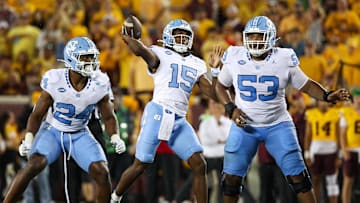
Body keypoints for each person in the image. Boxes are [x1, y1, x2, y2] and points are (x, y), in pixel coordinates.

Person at [214, 16, 351, 203]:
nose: (255, 41)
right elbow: (220, 86)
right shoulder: (234, 56)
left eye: (259, 36)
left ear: (271, 38)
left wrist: (327, 95)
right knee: (230, 180)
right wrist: (231, 108)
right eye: (252, 36)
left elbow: (306, 85)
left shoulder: (283, 58)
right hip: (244, 125)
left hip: (277, 124)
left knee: (299, 178)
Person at [110, 19, 222, 203]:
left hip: (178, 119)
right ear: (169, 37)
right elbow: (143, 52)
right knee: (141, 164)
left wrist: (215, 71)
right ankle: (115, 197)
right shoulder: (160, 52)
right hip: (158, 112)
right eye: (178, 35)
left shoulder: (198, 63)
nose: (182, 39)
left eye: (186, 35)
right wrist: (130, 39)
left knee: (199, 163)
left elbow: (214, 94)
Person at [3, 36, 126, 203]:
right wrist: (29, 139)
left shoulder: (100, 82)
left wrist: (115, 137)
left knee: (102, 172)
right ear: (71, 58)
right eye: (85, 57)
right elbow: (37, 114)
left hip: (79, 133)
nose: (90, 61)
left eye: (92, 57)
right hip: (53, 131)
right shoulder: (55, 80)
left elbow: (109, 116)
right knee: (34, 165)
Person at [304, 100, 341, 203]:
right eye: (321, 101)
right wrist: (306, 153)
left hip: (331, 150)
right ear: (317, 102)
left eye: (326, 101)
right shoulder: (311, 113)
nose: (324, 103)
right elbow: (308, 135)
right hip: (316, 150)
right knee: (315, 179)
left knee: (332, 180)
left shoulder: (335, 113)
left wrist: (339, 155)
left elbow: (339, 136)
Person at [198, 98, 231, 203]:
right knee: (198, 179)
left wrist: (217, 140)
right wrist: (220, 140)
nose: (217, 109)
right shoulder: (205, 121)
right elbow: (205, 140)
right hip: (209, 156)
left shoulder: (228, 122)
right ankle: (177, 199)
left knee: (226, 183)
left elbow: (230, 139)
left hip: (223, 157)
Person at [339, 87, 360, 203]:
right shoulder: (346, 112)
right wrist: (344, 150)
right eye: (357, 97)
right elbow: (342, 134)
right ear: (354, 99)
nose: (359, 100)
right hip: (351, 149)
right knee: (348, 180)